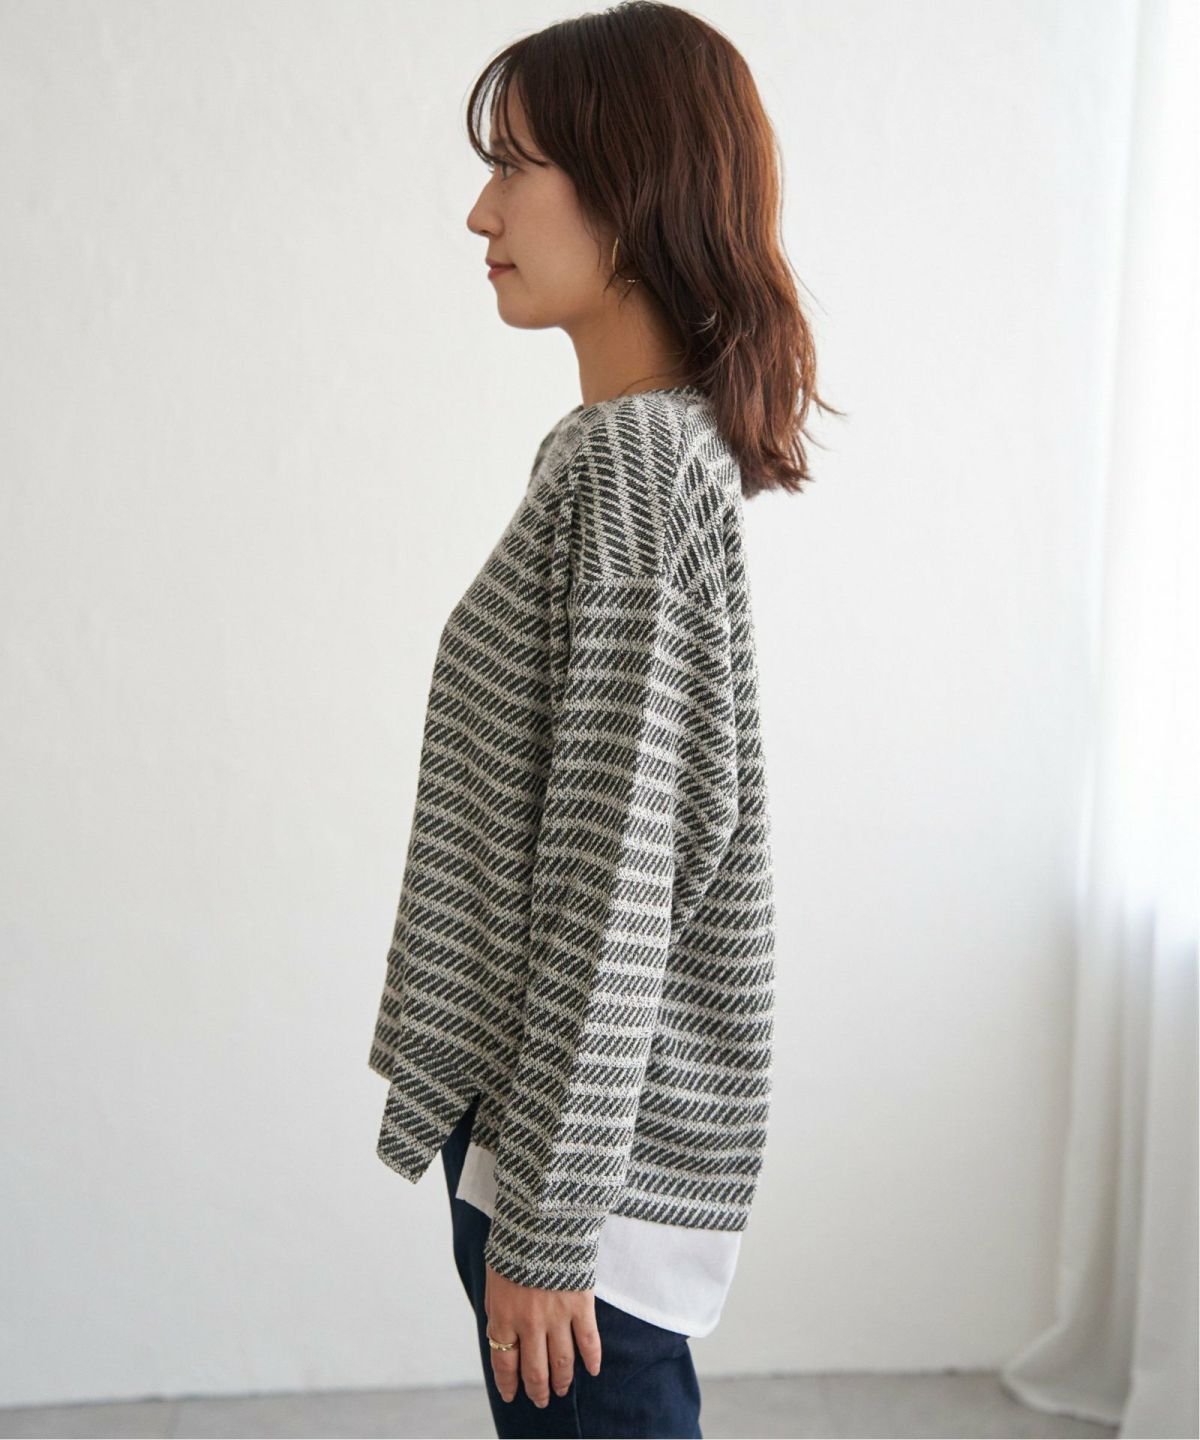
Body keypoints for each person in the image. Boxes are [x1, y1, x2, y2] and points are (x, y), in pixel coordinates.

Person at [368, 3, 840, 1434]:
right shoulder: (630, 453)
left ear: (631, 195)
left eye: (515, 168)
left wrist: (549, 1220)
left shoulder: (633, 470)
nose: (480, 212)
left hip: (576, 1169)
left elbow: (617, 874)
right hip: (564, 1138)